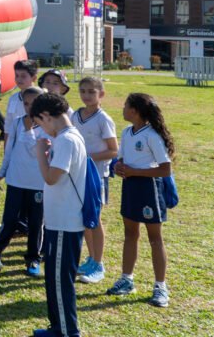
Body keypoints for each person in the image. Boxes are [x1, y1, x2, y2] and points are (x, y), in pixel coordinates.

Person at [106, 92, 175, 309]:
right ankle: (127, 279)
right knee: (130, 234)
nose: (123, 109)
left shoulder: (151, 136)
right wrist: (118, 166)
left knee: (155, 238)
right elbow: (123, 160)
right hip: (131, 187)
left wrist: (135, 171)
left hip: (149, 189)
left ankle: (160, 286)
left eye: (125, 105)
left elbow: (165, 169)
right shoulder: (127, 132)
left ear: (134, 110)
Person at [30, 91, 88, 337]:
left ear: (46, 116)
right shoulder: (68, 137)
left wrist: (41, 156)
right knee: (54, 278)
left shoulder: (66, 140)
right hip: (59, 221)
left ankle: (67, 331)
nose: (41, 130)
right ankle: (58, 327)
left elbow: (52, 177)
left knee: (60, 281)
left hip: (66, 222)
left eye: (39, 123)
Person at [0, 87, 46, 276]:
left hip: (37, 183)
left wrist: (30, 130)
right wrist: (1, 172)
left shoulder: (48, 128)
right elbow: (9, 150)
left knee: (36, 223)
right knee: (9, 220)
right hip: (16, 180)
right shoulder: (17, 123)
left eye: (34, 103)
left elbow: (39, 151)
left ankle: (33, 259)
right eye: (26, 103)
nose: (29, 107)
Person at [73, 76, 118, 285]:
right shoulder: (75, 115)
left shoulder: (103, 119)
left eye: (92, 91)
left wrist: (88, 158)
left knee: (95, 219)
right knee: (84, 220)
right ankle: (90, 259)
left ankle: (98, 264)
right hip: (77, 175)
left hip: (97, 176)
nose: (87, 95)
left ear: (101, 94)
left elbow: (113, 150)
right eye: (83, 91)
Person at [4, 60, 40, 135]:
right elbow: (8, 125)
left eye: (23, 76)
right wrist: (7, 145)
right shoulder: (13, 99)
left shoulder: (41, 98)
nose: (19, 79)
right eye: (16, 75)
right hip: (17, 142)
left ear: (34, 78)